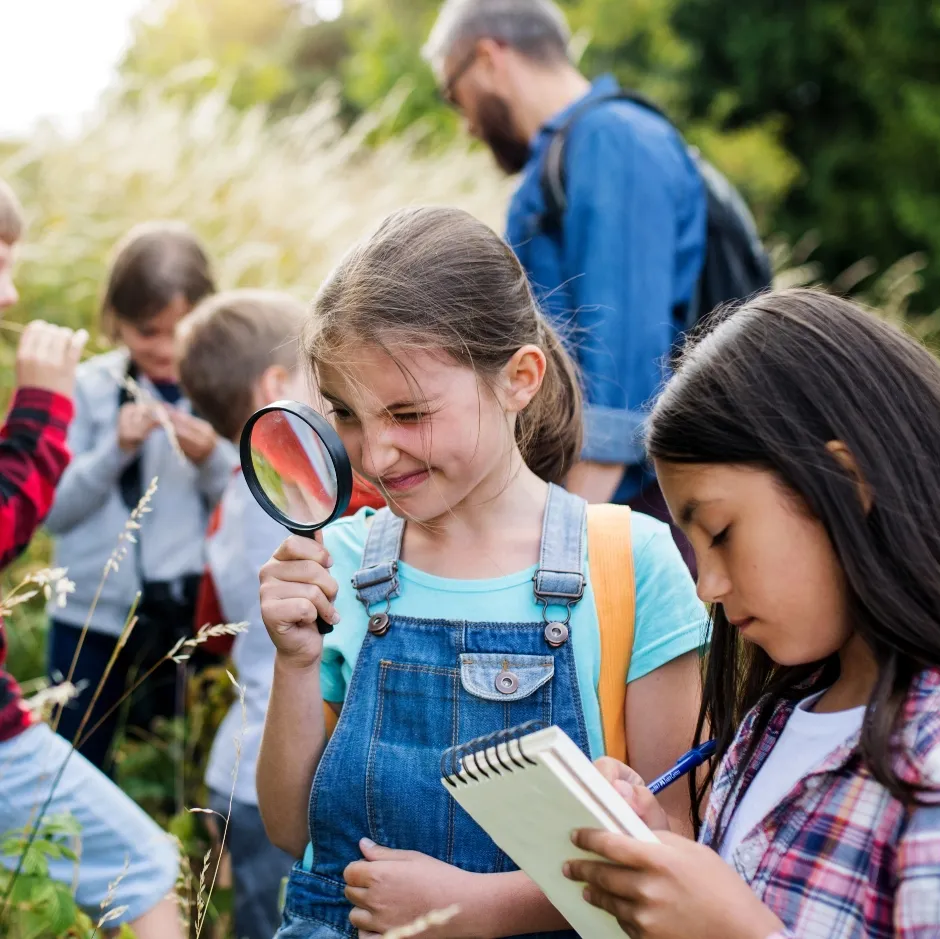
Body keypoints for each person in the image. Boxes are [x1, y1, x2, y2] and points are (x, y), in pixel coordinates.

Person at [256, 206, 706, 938]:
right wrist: (295, 661)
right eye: (346, 414)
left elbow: (678, 843)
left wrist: (484, 907)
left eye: (409, 413)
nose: (375, 455)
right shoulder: (338, 559)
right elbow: (287, 827)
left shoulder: (628, 562)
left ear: (519, 378)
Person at [562, 289, 940, 938]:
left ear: (846, 483)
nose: (708, 585)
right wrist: (660, 858)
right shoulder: (766, 726)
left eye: (720, 531)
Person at [424, 0, 707, 571]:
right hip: (605, 512)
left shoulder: (612, 139)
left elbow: (622, 380)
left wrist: (558, 556)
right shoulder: (566, 153)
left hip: (631, 516)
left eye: (456, 96)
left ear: (488, 57)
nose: (467, 123)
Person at [0, 177, 184, 938]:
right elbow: (33, 517)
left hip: (160, 611)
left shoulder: (205, 390)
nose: (10, 296)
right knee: (142, 861)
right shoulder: (92, 386)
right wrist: (46, 412)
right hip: (80, 628)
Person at [176, 288, 385, 939]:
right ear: (276, 386)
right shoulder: (314, 503)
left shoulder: (232, 498)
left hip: (231, 758)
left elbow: (211, 621)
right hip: (281, 767)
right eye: (319, 384)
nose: (331, 404)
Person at [45, 221, 237, 773]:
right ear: (117, 322)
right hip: (89, 617)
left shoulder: (224, 392)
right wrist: (114, 451)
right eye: (147, 332)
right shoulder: (87, 388)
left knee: (183, 767)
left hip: (190, 618)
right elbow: (54, 512)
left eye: (181, 331)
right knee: (75, 763)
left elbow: (252, 501)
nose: (165, 350)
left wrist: (211, 461)